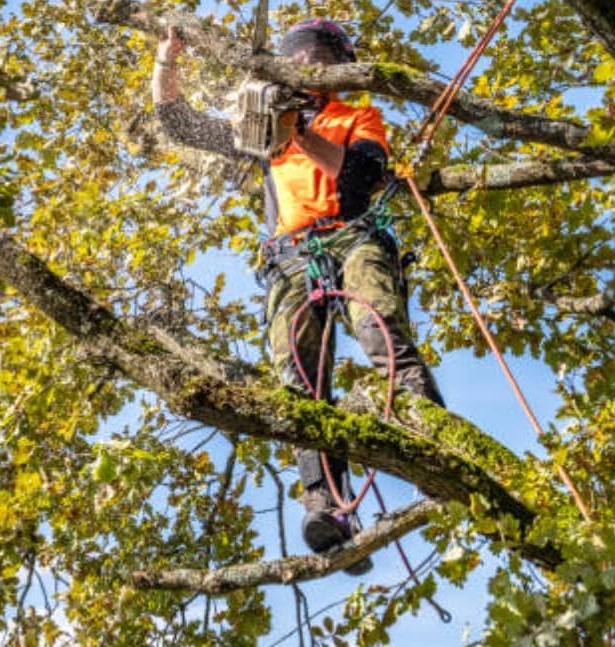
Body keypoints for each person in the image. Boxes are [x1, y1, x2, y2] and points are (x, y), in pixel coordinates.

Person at [152, 19, 444, 574]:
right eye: (301, 55)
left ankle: (429, 432)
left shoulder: (356, 118)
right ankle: (326, 505)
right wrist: (169, 57)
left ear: (335, 67)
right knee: (300, 382)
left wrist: (298, 135)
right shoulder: (258, 130)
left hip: (353, 235)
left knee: (377, 328)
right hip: (290, 256)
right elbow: (179, 122)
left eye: (320, 57)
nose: (308, 65)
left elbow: (358, 180)